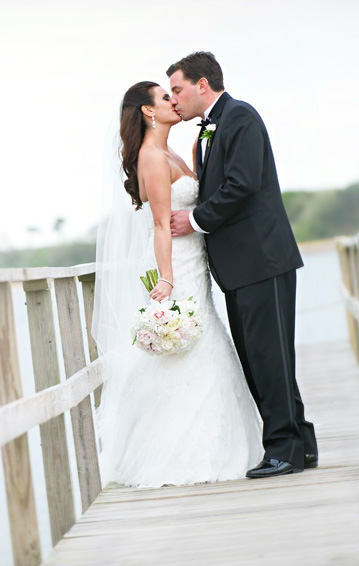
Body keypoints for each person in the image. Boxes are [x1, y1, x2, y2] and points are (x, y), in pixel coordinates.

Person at [92, 80, 263, 488]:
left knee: (203, 341)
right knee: (188, 344)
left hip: (196, 259)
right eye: (165, 97)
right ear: (149, 111)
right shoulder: (152, 157)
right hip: (178, 265)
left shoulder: (173, 151)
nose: (174, 101)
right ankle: (174, 453)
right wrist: (167, 278)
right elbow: (158, 224)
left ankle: (223, 443)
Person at [167, 52, 318, 478]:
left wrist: (194, 220)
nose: (175, 99)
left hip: (261, 259)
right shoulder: (211, 129)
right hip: (242, 266)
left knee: (269, 358)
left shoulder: (240, 118)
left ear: (202, 84)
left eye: (178, 89)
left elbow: (243, 184)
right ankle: (300, 444)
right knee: (263, 359)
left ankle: (283, 450)